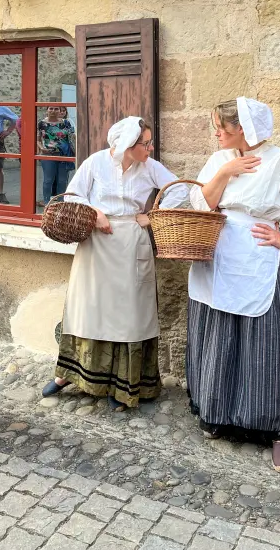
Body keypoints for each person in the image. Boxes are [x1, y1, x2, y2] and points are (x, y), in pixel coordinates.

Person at [186, 97, 280, 473]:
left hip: (259, 257)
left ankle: (277, 429)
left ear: (244, 129)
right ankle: (218, 412)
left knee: (268, 342)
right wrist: (225, 172)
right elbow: (199, 204)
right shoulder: (220, 159)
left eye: (222, 126)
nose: (216, 132)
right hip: (217, 253)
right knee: (220, 333)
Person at [42, 117, 188, 411]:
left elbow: (180, 191)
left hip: (131, 244)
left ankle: (123, 383)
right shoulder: (96, 163)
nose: (150, 147)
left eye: (148, 142)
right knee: (89, 309)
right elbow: (72, 195)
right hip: (96, 244)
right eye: (145, 143)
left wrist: (151, 216)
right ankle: (70, 375)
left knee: (128, 315)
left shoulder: (149, 167)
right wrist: (95, 212)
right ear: (127, 146)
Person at [37, 105, 75, 206]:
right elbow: (37, 139)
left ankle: (60, 203)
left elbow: (72, 137)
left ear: (60, 111)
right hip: (48, 155)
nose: (53, 111)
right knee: (48, 179)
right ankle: (47, 203)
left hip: (63, 155)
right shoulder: (41, 123)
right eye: (51, 108)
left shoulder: (66, 123)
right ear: (47, 110)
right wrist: (41, 148)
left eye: (56, 109)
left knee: (62, 180)